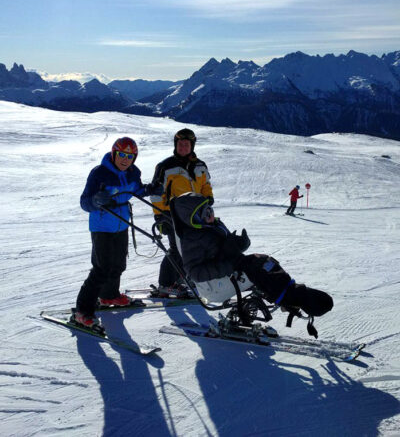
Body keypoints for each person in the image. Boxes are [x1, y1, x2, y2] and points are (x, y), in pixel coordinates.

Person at [172, 192, 333, 319]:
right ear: (193, 218)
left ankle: (294, 294)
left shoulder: (210, 227)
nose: (211, 215)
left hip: (228, 269)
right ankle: (293, 299)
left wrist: (240, 244)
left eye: (211, 210)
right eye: (206, 213)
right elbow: (195, 273)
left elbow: (224, 250)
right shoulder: (192, 239)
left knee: (263, 261)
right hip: (214, 286)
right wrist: (230, 264)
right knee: (258, 268)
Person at [73, 137, 158, 328]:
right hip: (102, 225)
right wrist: (96, 200)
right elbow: (84, 202)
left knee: (118, 264)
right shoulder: (99, 173)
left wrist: (149, 189)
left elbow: (136, 190)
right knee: (101, 268)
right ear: (114, 153)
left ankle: (109, 296)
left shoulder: (133, 172)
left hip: (122, 223)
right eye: (121, 154)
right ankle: (82, 311)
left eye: (130, 156)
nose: (125, 159)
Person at [150, 128, 214, 296]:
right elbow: (156, 194)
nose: (183, 147)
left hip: (196, 214)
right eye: (180, 144)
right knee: (176, 249)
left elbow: (206, 184)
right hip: (172, 215)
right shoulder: (166, 166)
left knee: (194, 248)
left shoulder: (200, 165)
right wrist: (160, 217)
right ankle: (165, 283)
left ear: (192, 146)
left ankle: (182, 277)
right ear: (175, 145)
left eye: (186, 144)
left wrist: (208, 199)